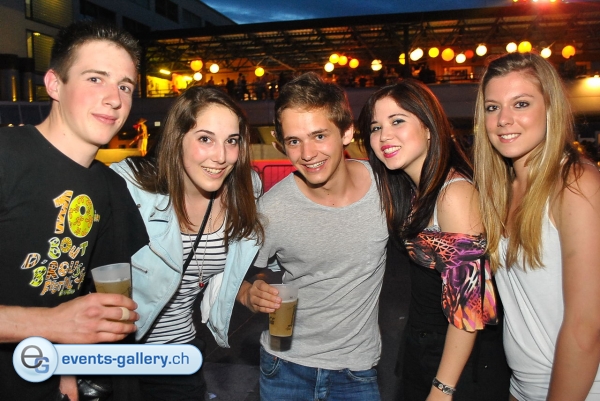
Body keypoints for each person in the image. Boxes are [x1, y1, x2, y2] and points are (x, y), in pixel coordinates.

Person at [0, 21, 147, 401]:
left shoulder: (110, 188)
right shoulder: (6, 156)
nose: (114, 99)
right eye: (95, 79)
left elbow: (82, 297)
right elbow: (62, 318)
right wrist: (50, 324)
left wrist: (66, 371)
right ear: (54, 84)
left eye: (125, 86)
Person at [237, 72, 389, 400]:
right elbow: (230, 273)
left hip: (357, 370)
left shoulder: (385, 190)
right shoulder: (272, 210)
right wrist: (249, 292)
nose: (307, 153)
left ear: (346, 132)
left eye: (319, 136)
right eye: (294, 141)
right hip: (284, 367)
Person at [357, 79, 510, 400]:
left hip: (460, 366)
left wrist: (442, 388)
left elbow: (470, 310)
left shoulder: (454, 194)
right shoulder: (412, 190)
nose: (384, 136)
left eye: (397, 121)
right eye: (375, 127)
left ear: (428, 128)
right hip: (424, 350)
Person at [110, 85, 264, 401]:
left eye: (231, 141)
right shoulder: (129, 187)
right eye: (205, 139)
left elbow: (225, 264)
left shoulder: (245, 193)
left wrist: (246, 290)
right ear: (177, 139)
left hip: (177, 352)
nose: (221, 156)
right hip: (113, 355)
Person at [473, 52, 600, 401]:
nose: (503, 119)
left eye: (521, 104)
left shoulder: (576, 184)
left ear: (550, 108)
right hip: (523, 387)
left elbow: (586, 328)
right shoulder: (500, 191)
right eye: (492, 107)